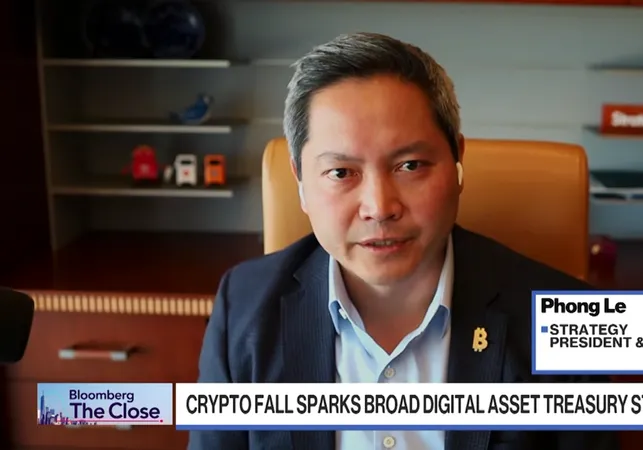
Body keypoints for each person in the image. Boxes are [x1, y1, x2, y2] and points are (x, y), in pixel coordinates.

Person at [189, 32, 619, 450]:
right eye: (341, 173)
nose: (379, 207)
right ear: (300, 182)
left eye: (410, 165)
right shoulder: (243, 306)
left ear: (457, 163)